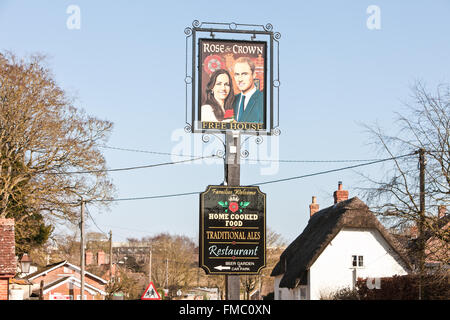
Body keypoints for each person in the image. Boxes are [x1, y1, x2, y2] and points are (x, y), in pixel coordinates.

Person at [232, 57, 264, 123]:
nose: (240, 79)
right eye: (237, 74)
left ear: (254, 75)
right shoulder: (232, 100)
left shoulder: (263, 99)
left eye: (244, 74)